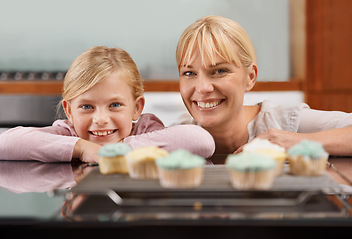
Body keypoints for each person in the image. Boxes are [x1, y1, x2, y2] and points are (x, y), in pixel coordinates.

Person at [176, 15, 352, 163]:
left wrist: (294, 142)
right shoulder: (175, 141)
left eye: (220, 71)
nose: (203, 88)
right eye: (189, 73)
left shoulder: (284, 123)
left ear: (250, 77)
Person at [0, 46, 215, 163]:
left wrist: (115, 151)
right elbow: (5, 143)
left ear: (137, 107)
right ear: (68, 111)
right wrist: (82, 148)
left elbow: (201, 141)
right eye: (86, 107)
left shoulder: (145, 130)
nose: (101, 119)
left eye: (114, 105)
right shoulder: (69, 133)